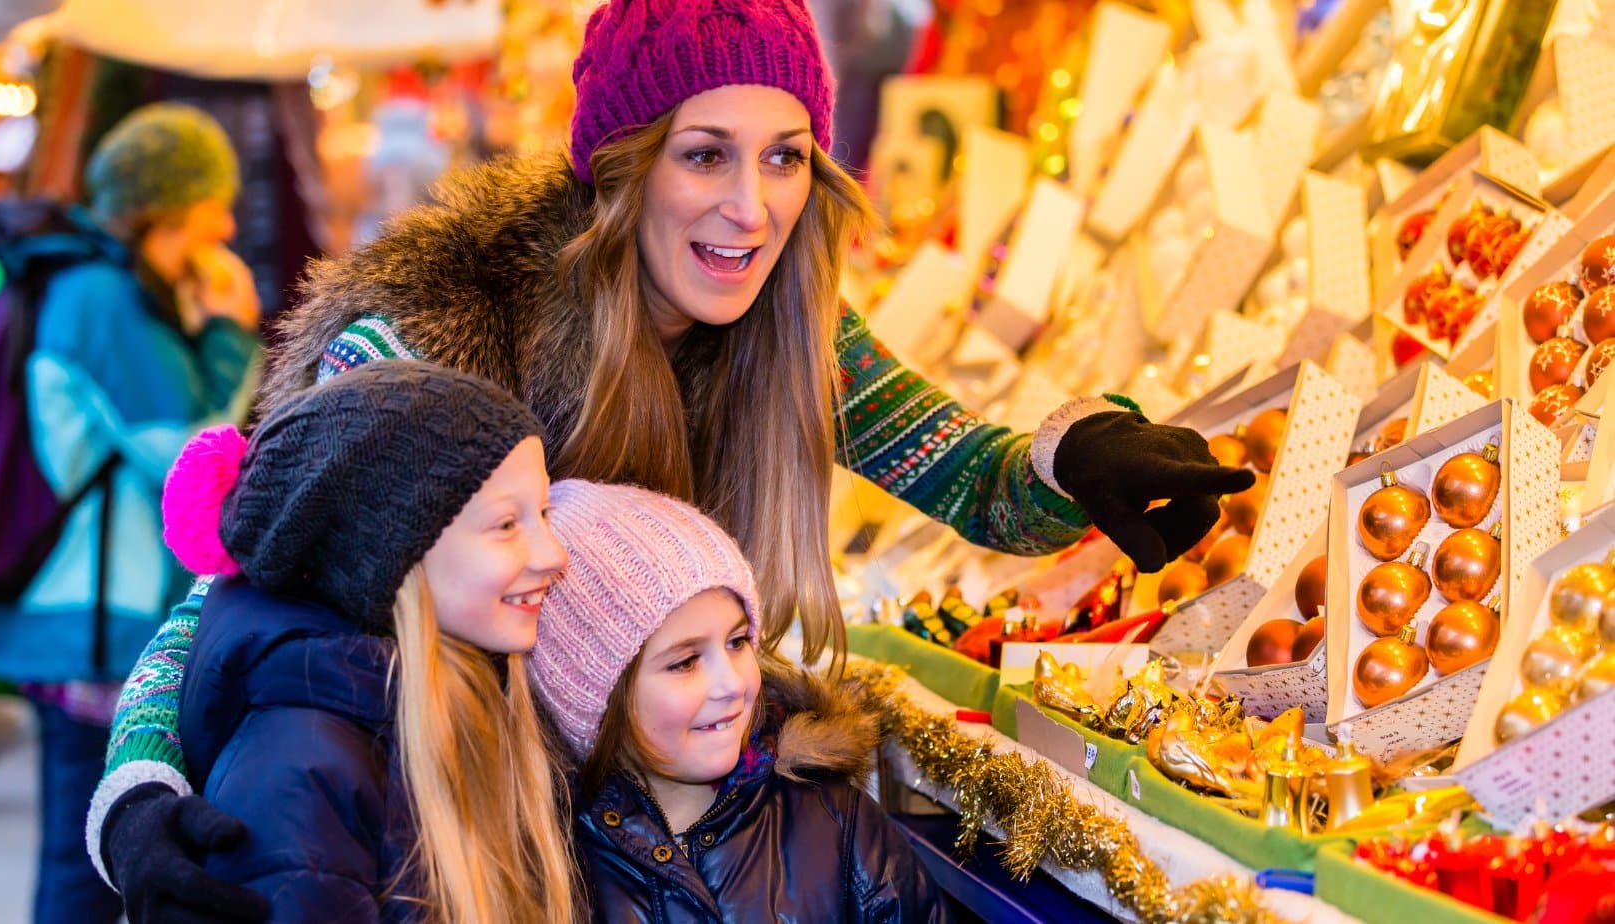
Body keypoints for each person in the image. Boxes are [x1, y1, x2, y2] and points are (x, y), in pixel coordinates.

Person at [90, 0, 1252, 916]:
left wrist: (1076, 458)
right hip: (431, 843)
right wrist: (139, 791)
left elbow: (961, 467)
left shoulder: (785, 327)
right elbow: (230, 589)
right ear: (622, 165)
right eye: (705, 156)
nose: (750, 208)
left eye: (786, 158)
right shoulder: (440, 328)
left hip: (612, 848)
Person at [159, 360, 581, 922]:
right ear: (387, 552)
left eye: (546, 513)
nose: (556, 555)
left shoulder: (455, 698)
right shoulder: (303, 779)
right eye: (507, 524)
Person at [0, 102, 262, 924]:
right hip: (91, 623)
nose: (232, 219)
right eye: (215, 198)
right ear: (171, 203)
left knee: (77, 846)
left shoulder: (91, 281)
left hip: (76, 614)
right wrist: (229, 335)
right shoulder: (102, 295)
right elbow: (183, 453)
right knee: (84, 859)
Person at [531, 480, 948, 922]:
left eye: (737, 641)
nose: (731, 683)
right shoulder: (554, 861)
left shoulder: (835, 824)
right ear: (596, 695)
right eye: (686, 662)